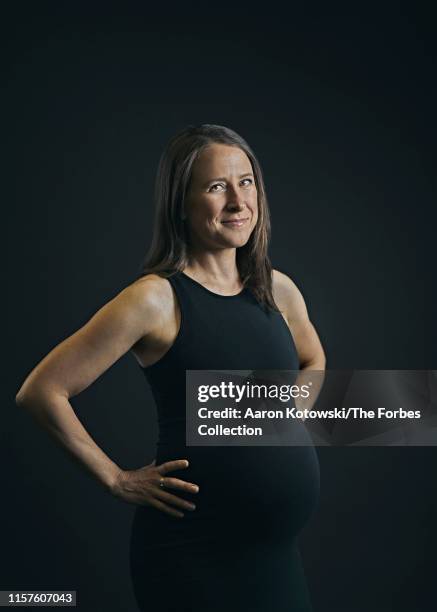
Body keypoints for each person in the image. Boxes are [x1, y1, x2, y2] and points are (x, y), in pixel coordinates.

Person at [15, 124, 326, 611]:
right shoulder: (155, 299)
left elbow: (314, 360)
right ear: (181, 201)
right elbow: (41, 390)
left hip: (277, 560)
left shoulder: (276, 288)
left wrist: (277, 414)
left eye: (246, 182)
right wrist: (115, 478)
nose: (238, 202)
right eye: (216, 187)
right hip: (194, 559)